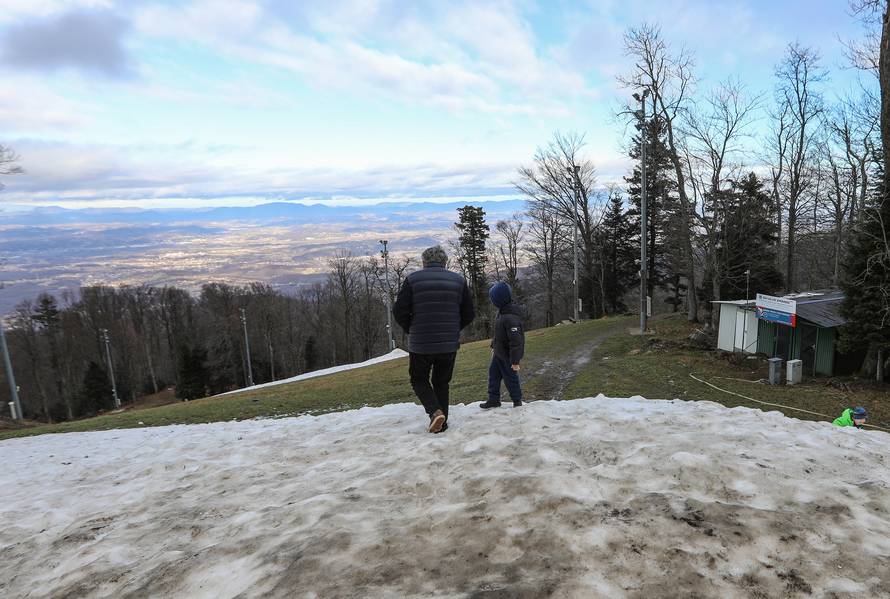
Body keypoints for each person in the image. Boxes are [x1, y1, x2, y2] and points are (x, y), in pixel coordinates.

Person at [393, 246, 474, 433]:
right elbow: (469, 313)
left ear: (424, 262)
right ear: (444, 262)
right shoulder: (459, 281)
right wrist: (452, 328)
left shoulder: (412, 280)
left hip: (421, 344)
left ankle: (435, 412)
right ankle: (441, 424)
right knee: (441, 382)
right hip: (448, 343)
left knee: (418, 379)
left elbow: (399, 311)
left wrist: (411, 329)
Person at [480, 281, 524, 409]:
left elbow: (516, 341)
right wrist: (493, 345)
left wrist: (515, 361)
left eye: (493, 299)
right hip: (499, 353)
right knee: (493, 375)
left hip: (507, 356)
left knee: (510, 378)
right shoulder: (501, 313)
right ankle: (493, 399)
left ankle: (517, 400)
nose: (492, 301)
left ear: (500, 299)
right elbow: (499, 334)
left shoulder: (511, 318)